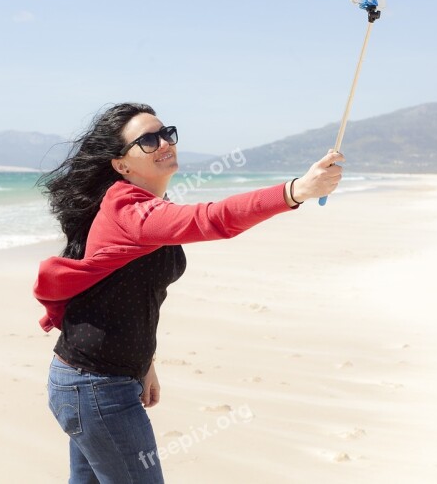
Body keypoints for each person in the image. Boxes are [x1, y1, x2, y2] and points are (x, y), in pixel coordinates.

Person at [33, 103, 344, 483]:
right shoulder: (127, 210)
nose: (164, 143)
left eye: (167, 134)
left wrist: (144, 364)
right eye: (148, 140)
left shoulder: (146, 208)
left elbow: (128, 296)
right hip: (95, 386)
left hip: (99, 380)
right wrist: (295, 191)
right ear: (121, 165)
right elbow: (213, 219)